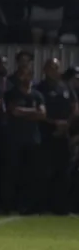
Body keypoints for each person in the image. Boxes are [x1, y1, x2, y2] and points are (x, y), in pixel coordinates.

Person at [34, 58, 77, 215]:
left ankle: (61, 208)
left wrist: (66, 124)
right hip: (46, 134)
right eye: (51, 67)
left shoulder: (65, 87)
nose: (54, 70)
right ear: (45, 69)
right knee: (44, 172)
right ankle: (43, 206)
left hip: (63, 135)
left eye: (57, 67)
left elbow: (74, 107)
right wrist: (54, 123)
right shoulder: (39, 88)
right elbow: (38, 112)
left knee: (63, 172)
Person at [1, 67, 46, 214]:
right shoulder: (11, 94)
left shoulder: (38, 95)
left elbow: (42, 115)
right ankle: (9, 206)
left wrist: (23, 112)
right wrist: (33, 112)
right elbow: (13, 111)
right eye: (23, 75)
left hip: (33, 140)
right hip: (15, 139)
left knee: (31, 175)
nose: (26, 78)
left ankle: (27, 206)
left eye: (28, 75)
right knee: (12, 173)